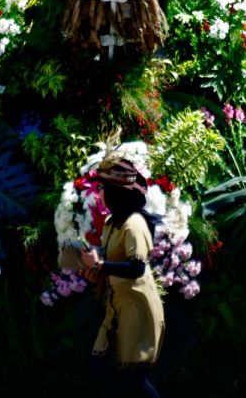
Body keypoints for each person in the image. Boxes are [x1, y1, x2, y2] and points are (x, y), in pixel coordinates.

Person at [78, 155, 164, 395]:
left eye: (103, 188)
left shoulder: (135, 223)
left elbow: (137, 268)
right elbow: (111, 262)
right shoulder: (110, 222)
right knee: (100, 369)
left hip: (137, 308)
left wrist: (101, 266)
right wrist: (93, 270)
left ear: (117, 192)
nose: (99, 193)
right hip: (117, 306)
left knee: (133, 379)